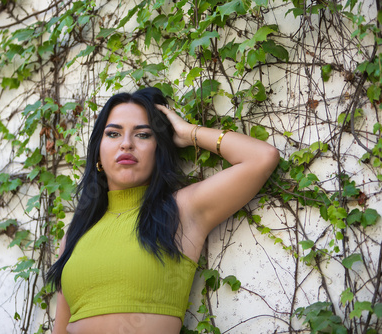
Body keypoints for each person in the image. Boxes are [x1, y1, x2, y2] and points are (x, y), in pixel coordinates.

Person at [47, 87, 280, 334]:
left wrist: (187, 132)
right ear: (98, 152)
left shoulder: (180, 211)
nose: (126, 144)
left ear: (159, 149)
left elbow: (262, 158)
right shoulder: (76, 232)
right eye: (113, 134)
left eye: (143, 135)